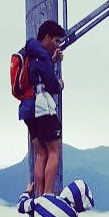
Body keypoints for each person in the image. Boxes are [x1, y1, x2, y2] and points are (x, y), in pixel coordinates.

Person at [18, 20, 65, 196]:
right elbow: (52, 85)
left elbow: (36, 74)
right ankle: (48, 193)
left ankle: (39, 193)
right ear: (47, 37)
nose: (57, 45)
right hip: (43, 107)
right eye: (56, 41)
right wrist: (59, 84)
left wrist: (51, 61)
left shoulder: (30, 51)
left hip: (28, 109)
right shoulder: (43, 55)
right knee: (53, 151)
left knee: (40, 153)